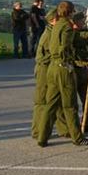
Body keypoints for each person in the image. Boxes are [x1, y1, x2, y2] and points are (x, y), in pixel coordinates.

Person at [37, 1, 88, 147]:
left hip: (52, 68)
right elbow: (66, 49)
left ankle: (42, 137)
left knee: (51, 104)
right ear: (70, 12)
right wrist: (85, 57)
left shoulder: (56, 26)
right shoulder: (67, 27)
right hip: (63, 68)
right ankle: (77, 137)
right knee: (70, 105)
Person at [31, 8, 69, 139]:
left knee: (56, 99)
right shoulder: (48, 34)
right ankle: (37, 131)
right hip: (44, 68)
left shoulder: (54, 31)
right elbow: (45, 56)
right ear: (54, 20)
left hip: (50, 67)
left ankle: (63, 129)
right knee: (41, 101)